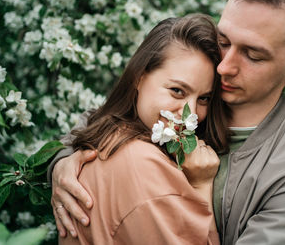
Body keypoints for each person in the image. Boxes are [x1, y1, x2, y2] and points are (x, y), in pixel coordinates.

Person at [50, 0, 285, 244]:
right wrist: (64, 163)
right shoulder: (184, 99)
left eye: (253, 55)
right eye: (224, 42)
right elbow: (100, 122)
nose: (223, 66)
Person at [55, 14, 230, 244]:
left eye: (204, 98)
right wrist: (202, 186)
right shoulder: (145, 166)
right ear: (139, 76)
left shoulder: (107, 135)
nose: (191, 114)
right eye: (177, 90)